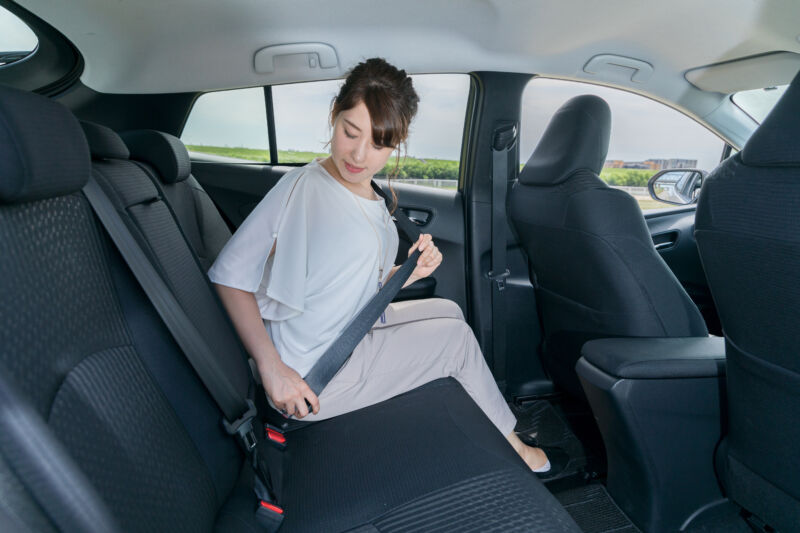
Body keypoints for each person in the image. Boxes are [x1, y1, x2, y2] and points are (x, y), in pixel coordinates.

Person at [208, 57, 562, 476]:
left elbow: (359, 285)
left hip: (346, 332)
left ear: (398, 142)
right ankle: (516, 450)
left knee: (449, 312)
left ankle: (475, 420)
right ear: (333, 116)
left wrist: (409, 272)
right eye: (349, 132)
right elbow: (230, 276)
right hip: (313, 375)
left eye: (378, 144)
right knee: (453, 340)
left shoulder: (371, 195)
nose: (359, 155)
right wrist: (274, 370)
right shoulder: (303, 188)